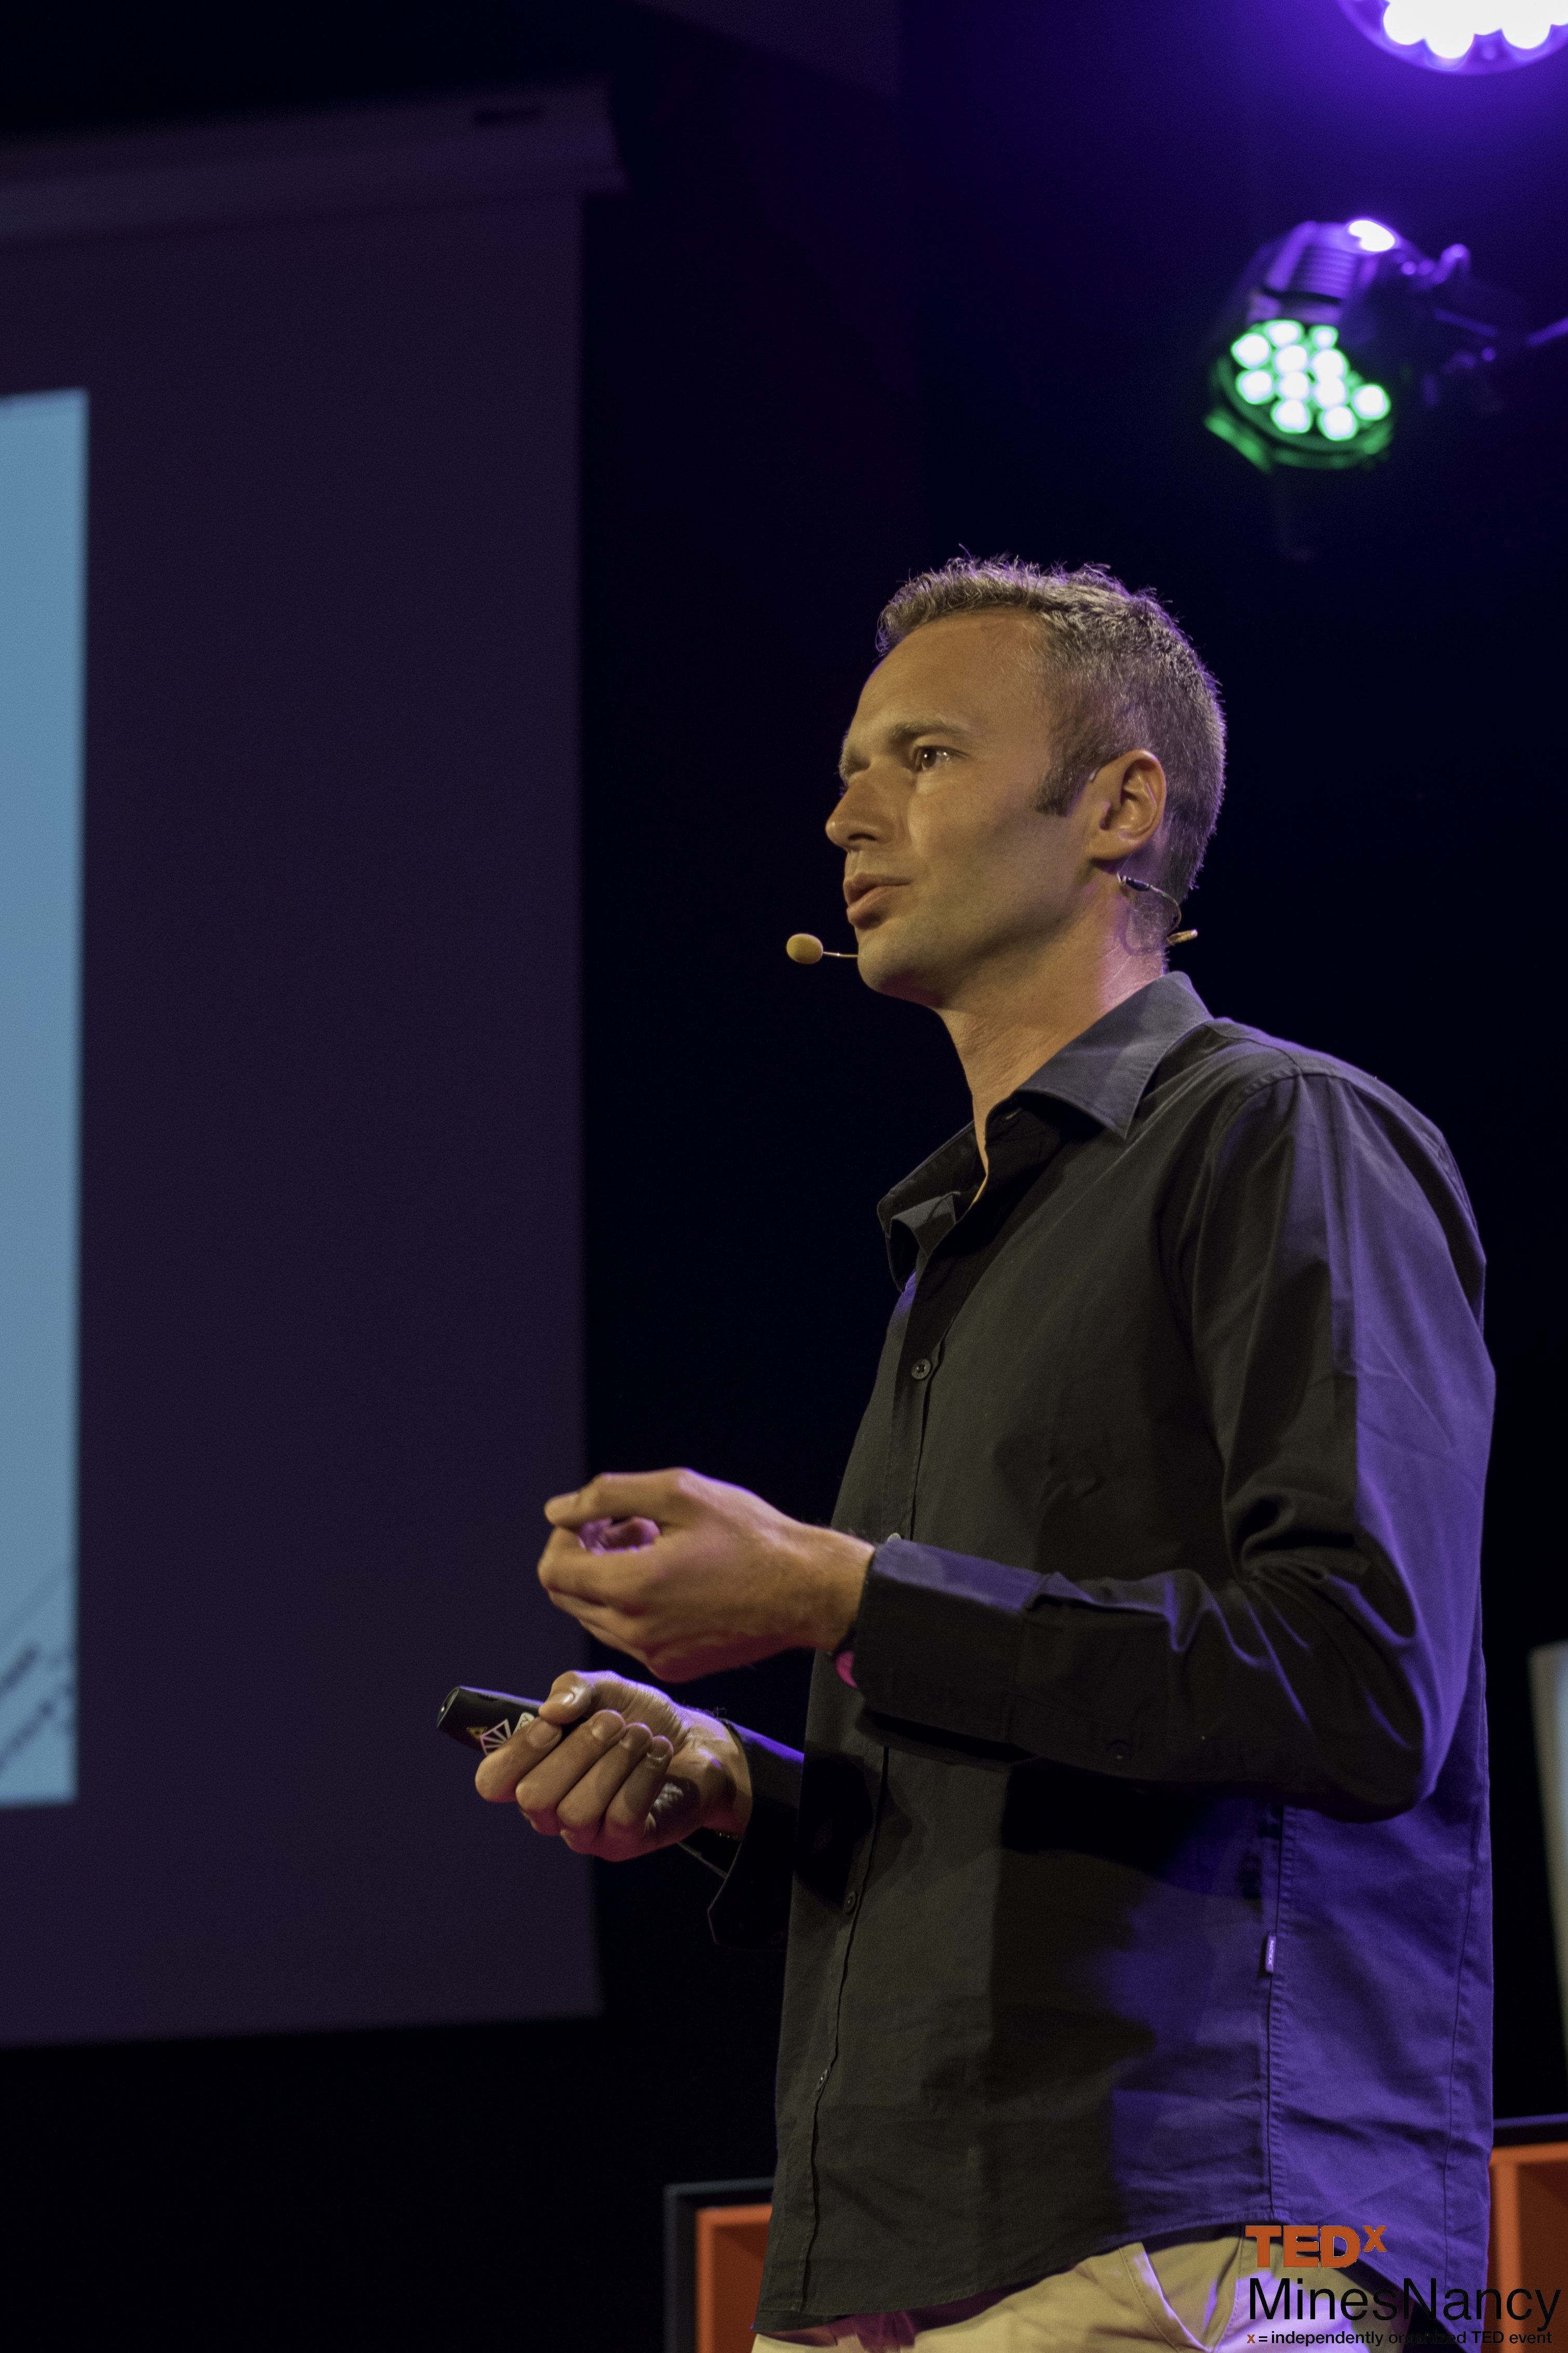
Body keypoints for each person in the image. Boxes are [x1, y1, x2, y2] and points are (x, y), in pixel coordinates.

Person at [475, 560, 1493, 2351]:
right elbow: (1038, 1768)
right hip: (907, 2256)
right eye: (854, 763)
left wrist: (834, 1587)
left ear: (1118, 806)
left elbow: (1356, 1682)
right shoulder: (965, 1239)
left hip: (1199, 2227)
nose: (845, 809)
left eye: (923, 752)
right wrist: (736, 1778)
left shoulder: (1278, 1133)